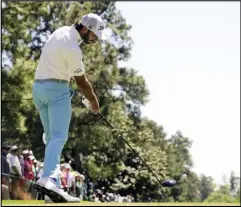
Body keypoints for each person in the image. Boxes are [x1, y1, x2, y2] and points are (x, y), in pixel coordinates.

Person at [32, 13, 107, 203]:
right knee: (59, 136)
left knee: (51, 137)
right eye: (94, 36)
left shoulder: (60, 31)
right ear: (86, 29)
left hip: (38, 89)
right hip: (56, 90)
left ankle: (52, 186)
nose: (95, 40)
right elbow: (81, 83)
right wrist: (94, 102)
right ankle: (48, 179)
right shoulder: (74, 49)